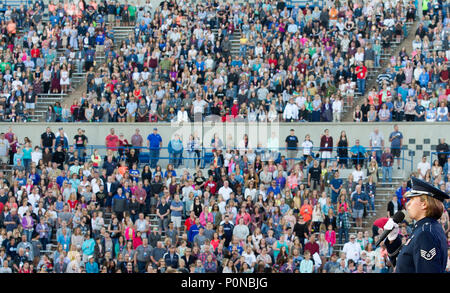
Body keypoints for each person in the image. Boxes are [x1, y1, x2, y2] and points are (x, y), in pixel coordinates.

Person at [384, 177, 449, 273]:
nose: (407, 204)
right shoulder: (424, 228)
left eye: (412, 199)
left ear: (424, 204)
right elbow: (405, 266)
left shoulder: (425, 233)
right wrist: (393, 240)